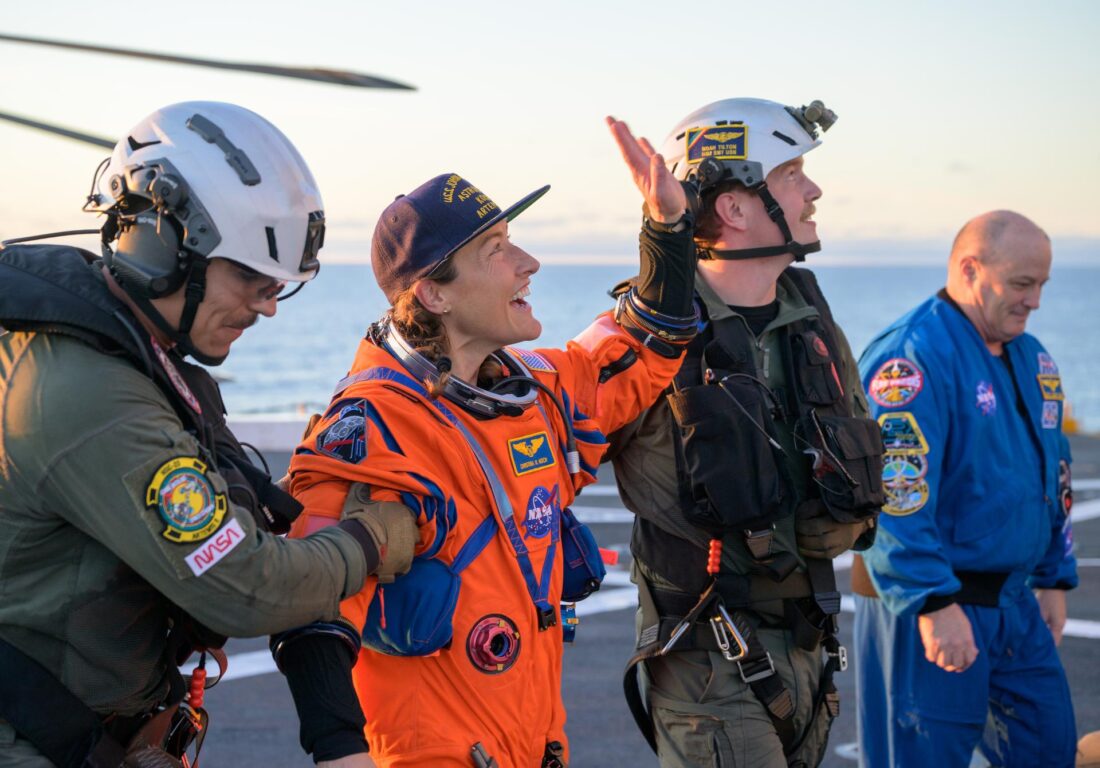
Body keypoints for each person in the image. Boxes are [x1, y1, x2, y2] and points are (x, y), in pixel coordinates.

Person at [270, 119, 699, 767]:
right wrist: (339, 752)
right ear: (434, 293)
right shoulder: (370, 426)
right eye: (496, 249)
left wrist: (666, 227)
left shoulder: (537, 391)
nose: (529, 263)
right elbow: (308, 598)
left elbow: (646, 341)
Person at [0, 102, 416, 767]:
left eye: (276, 284)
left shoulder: (118, 351)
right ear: (162, 242)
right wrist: (368, 542)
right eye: (250, 276)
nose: (267, 305)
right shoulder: (90, 394)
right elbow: (244, 586)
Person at [606, 97, 885, 768]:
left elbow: (858, 453)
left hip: (810, 652)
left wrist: (852, 520)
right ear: (733, 207)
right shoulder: (643, 336)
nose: (813, 190)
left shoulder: (810, 320)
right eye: (791, 174)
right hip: (708, 664)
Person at [851, 210, 1078, 767]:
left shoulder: (1032, 357)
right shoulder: (911, 359)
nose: (1035, 301)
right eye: (1022, 284)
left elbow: (1054, 468)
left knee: (1048, 747)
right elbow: (894, 494)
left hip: (1014, 604)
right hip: (930, 607)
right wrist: (932, 601)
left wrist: (1054, 576)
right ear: (971, 269)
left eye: (1042, 284)